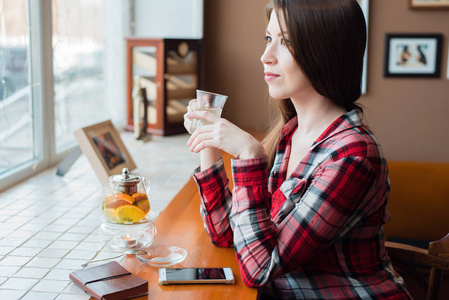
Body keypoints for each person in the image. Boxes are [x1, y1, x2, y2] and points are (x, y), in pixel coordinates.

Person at [184, 0, 411, 299]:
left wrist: (250, 157)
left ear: (325, 52)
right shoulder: (291, 134)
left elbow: (260, 269)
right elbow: (227, 234)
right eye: (269, 39)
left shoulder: (353, 156)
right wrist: (208, 139)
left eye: (286, 42)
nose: (265, 56)